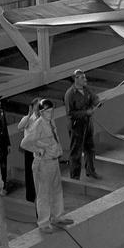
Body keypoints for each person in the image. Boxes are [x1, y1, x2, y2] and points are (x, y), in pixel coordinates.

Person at [21, 99, 73, 233]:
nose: (50, 113)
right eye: (47, 111)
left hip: (53, 160)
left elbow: (54, 138)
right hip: (43, 163)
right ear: (41, 112)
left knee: (57, 190)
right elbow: (24, 143)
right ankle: (43, 222)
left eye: (51, 111)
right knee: (43, 194)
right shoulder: (38, 125)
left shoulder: (50, 122)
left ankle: (57, 216)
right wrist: (37, 150)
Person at [63, 69, 101, 180]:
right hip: (76, 125)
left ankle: (91, 170)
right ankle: (75, 176)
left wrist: (97, 102)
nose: (85, 79)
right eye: (83, 78)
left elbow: (94, 98)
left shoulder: (87, 89)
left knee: (90, 148)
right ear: (76, 79)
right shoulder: (69, 94)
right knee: (76, 151)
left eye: (85, 77)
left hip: (87, 123)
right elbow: (70, 113)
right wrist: (86, 112)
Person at [15, 98, 43, 202]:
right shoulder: (28, 118)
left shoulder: (44, 118)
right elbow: (20, 127)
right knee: (30, 174)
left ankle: (41, 195)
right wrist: (29, 114)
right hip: (30, 150)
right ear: (32, 107)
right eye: (37, 105)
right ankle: (30, 197)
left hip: (41, 149)